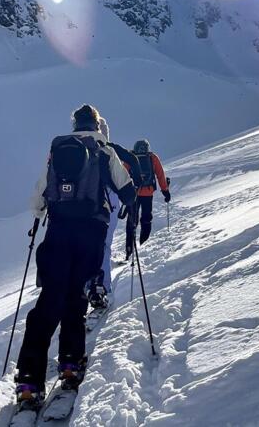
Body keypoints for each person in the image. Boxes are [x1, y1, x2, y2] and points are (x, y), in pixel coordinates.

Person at [14, 104, 136, 408]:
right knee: (77, 298)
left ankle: (29, 379)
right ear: (96, 123)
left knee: (49, 300)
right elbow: (125, 187)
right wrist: (132, 204)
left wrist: (39, 216)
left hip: (57, 232)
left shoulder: (58, 148)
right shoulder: (103, 148)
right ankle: (70, 365)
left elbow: (39, 194)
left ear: (74, 124)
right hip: (90, 231)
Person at [84, 117, 142, 310]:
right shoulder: (110, 149)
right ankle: (102, 286)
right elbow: (132, 162)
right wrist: (133, 192)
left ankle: (85, 283)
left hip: (83, 204)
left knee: (85, 244)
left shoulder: (80, 148)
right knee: (104, 244)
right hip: (109, 201)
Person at [124, 139, 171, 259]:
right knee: (146, 218)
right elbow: (160, 175)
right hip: (147, 192)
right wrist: (165, 190)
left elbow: (123, 174)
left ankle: (129, 249)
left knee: (131, 220)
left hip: (134, 193)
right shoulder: (152, 157)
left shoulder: (131, 157)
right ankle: (144, 244)